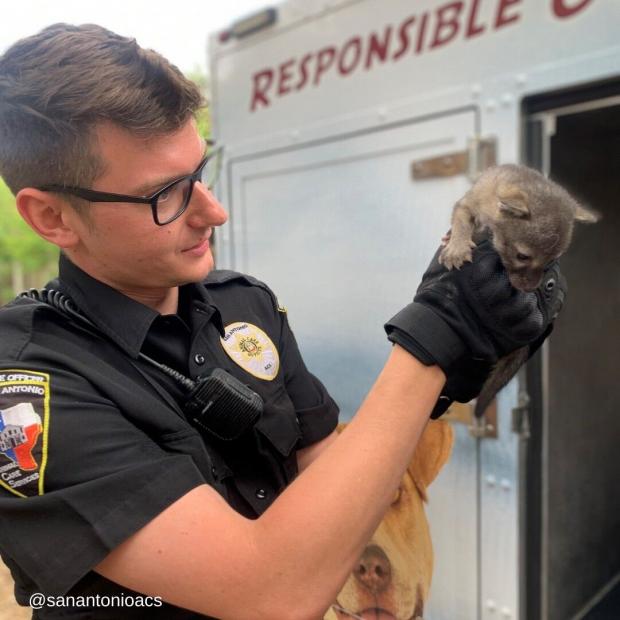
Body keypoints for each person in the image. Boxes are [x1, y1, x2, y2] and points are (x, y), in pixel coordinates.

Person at [0, 24, 564, 620]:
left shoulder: (245, 305)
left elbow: (330, 473)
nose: (212, 211)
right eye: (165, 194)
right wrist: (433, 341)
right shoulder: (28, 386)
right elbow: (266, 592)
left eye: (200, 169)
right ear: (52, 216)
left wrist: (456, 369)